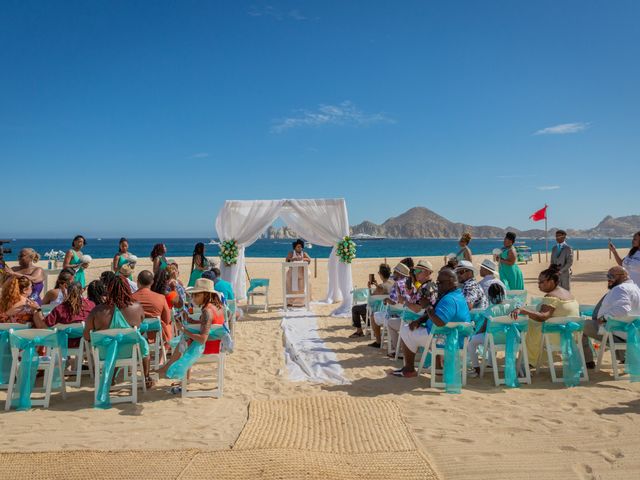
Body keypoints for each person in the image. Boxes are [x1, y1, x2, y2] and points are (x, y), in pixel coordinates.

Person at [393, 269, 471, 378]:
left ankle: (409, 369)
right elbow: (437, 313)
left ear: (450, 282)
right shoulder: (457, 295)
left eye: (440, 283)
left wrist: (427, 306)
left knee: (406, 330)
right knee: (412, 329)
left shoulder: (449, 299)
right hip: (456, 337)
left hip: (445, 340)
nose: (437, 285)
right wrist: (419, 321)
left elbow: (439, 322)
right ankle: (437, 366)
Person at [83, 275, 153, 388]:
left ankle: (110, 378)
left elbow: (86, 336)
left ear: (108, 290)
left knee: (113, 343)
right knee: (141, 341)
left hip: (104, 354)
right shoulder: (136, 307)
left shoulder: (97, 311)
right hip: (130, 352)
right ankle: (146, 376)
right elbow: (140, 323)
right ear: (127, 288)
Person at [511, 266, 579, 366]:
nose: (539, 285)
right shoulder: (567, 294)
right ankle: (532, 360)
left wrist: (522, 310)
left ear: (551, 281)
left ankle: (528, 362)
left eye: (541, 282)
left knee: (530, 327)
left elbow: (542, 316)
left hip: (559, 336)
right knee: (534, 325)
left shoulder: (552, 296)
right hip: (573, 335)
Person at [157, 278, 225, 377]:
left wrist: (183, 330)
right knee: (186, 337)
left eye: (197, 295)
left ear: (206, 294)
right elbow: (210, 324)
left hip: (208, 347)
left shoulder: (207, 311)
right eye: (193, 295)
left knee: (185, 336)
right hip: (218, 344)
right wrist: (196, 322)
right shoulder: (218, 306)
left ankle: (169, 366)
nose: (193, 298)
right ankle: (171, 367)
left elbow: (202, 339)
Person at [581, 266, 640, 368]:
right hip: (631, 332)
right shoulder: (636, 288)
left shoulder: (620, 288)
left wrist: (603, 318)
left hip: (615, 331)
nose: (608, 279)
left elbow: (622, 309)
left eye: (611, 276)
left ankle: (588, 361)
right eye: (607, 276)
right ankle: (624, 357)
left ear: (623, 276)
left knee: (580, 326)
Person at [384, 260, 439, 355]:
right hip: (429, 322)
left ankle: (401, 354)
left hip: (422, 323)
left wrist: (405, 302)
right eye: (415, 271)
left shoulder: (424, 288)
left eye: (418, 271)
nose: (415, 274)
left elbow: (418, 308)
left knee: (403, 328)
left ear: (427, 272)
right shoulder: (432, 286)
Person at [467, 283, 508, 376]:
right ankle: (490, 363)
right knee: (494, 334)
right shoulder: (509, 307)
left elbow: (484, 327)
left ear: (489, 296)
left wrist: (475, 333)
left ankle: (476, 367)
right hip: (508, 338)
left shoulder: (490, 310)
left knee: (471, 342)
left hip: (493, 339)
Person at [370, 262, 412, 349]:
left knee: (373, 316)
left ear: (399, 273)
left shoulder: (397, 284)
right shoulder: (410, 284)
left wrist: (387, 300)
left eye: (395, 272)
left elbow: (394, 302)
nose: (393, 274)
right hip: (408, 315)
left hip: (396, 315)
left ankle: (379, 342)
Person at [349, 263, 393, 338]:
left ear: (381, 274)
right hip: (388, 309)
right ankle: (370, 325)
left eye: (379, 273)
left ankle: (359, 331)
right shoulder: (393, 283)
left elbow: (371, 300)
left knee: (355, 309)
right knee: (363, 310)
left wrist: (369, 289)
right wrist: (376, 285)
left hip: (378, 310)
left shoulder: (381, 287)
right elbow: (383, 291)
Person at [132, 270, 173, 347]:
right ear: (152, 282)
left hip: (137, 334)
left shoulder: (130, 298)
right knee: (167, 326)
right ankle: (161, 358)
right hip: (156, 334)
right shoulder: (160, 297)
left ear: (137, 282)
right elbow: (167, 320)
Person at [285, 239, 311, 307]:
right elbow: (287, 260)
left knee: (302, 287)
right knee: (290, 287)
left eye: (301, 247)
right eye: (298, 247)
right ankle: (290, 302)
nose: (300, 248)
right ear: (295, 247)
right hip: (292, 273)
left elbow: (309, 259)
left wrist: (302, 258)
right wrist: (292, 259)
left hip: (302, 272)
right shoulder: (291, 253)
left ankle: (302, 302)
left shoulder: (304, 253)